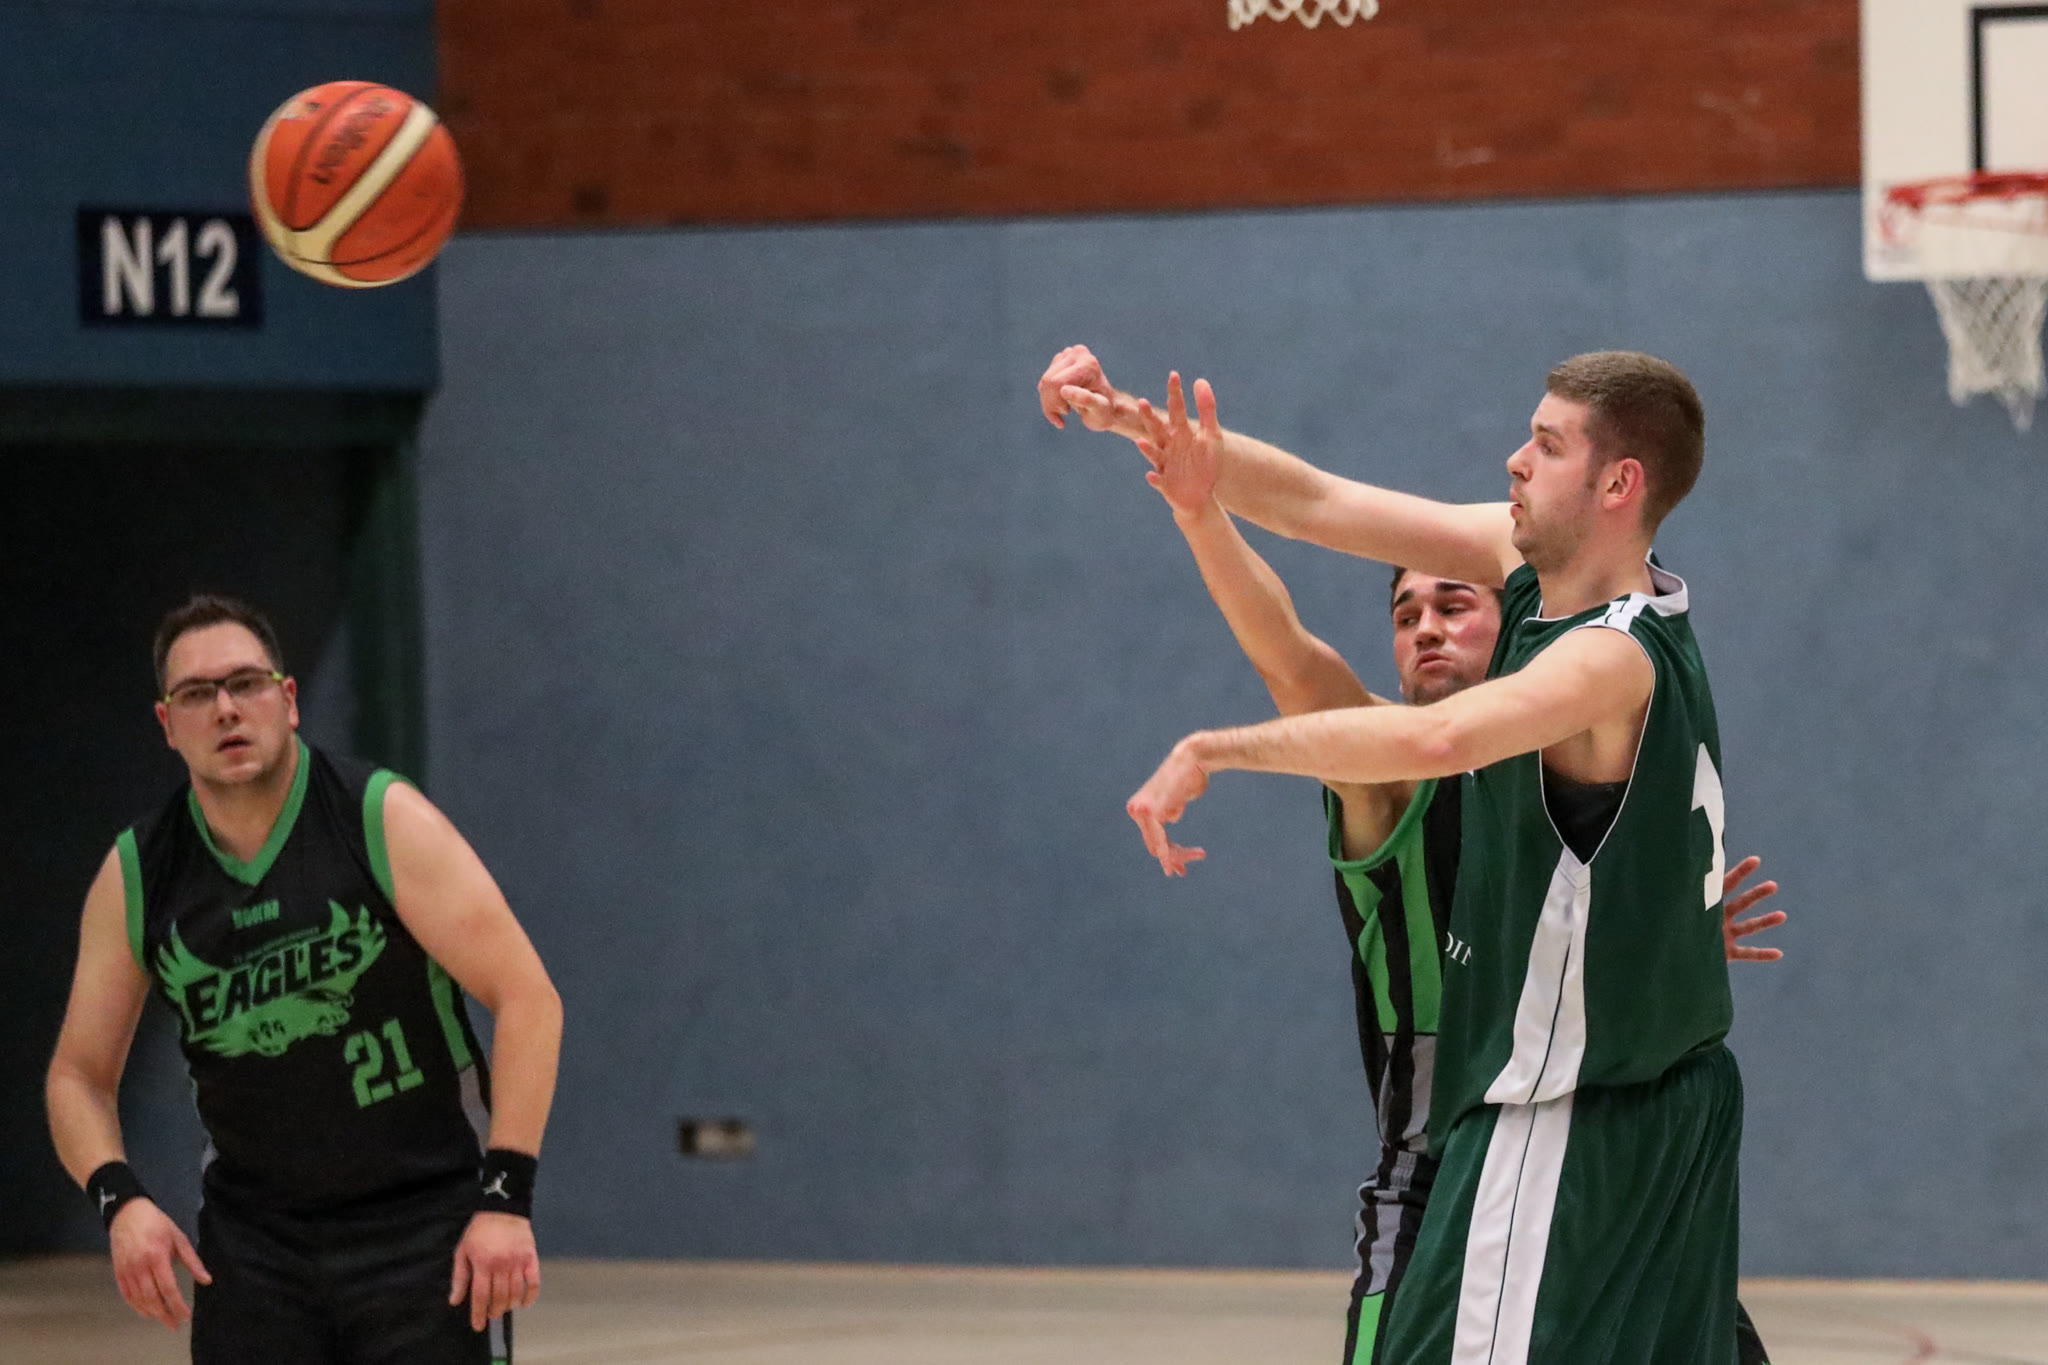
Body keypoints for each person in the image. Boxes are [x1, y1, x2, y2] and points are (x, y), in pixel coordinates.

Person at [1055, 352, 1781, 1363]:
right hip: (1670, 1108)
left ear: (1618, 484)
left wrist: (1216, 748)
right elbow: (1319, 502)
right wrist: (1156, 440)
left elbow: (1436, 738)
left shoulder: (1602, 655)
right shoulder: (1557, 586)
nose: (1514, 459)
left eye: (1547, 445)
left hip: (1561, 1116)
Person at [45, 594, 563, 1364]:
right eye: (197, 693)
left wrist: (506, 1198)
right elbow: (76, 1075)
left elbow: (528, 999)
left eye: (245, 682)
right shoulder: (138, 875)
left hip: (422, 1228)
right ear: (167, 723)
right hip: (256, 1247)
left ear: (288, 699)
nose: (226, 708)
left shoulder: (380, 818)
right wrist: (120, 1200)